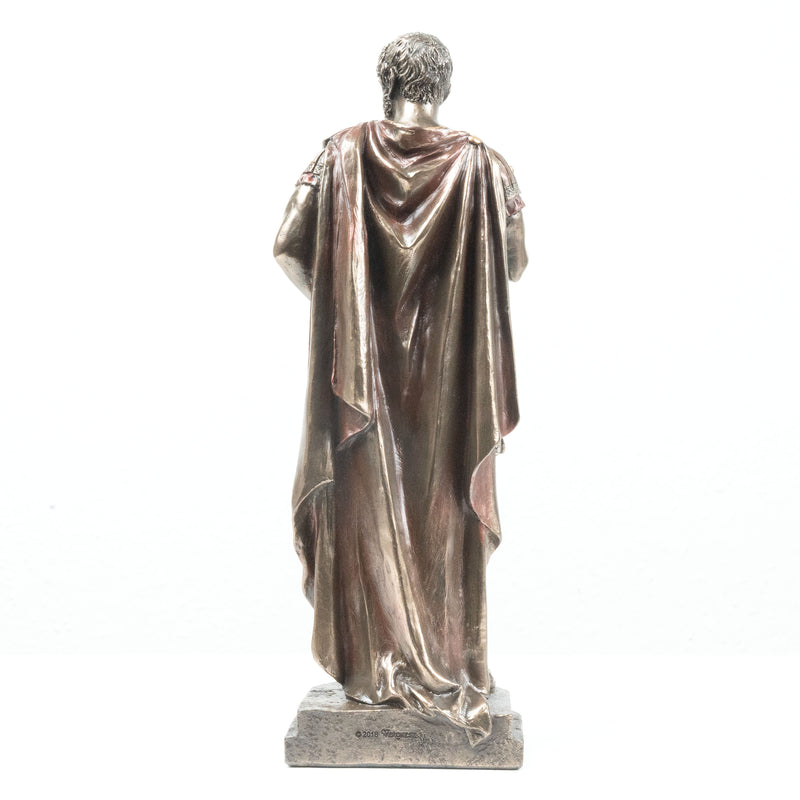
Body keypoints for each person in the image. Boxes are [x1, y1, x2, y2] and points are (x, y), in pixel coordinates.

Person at [274, 32, 528, 744]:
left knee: (367, 512)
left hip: (360, 384)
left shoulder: (339, 154)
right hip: (451, 386)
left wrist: (346, 310)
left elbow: (287, 246)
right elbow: (515, 262)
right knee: (446, 510)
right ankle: (448, 664)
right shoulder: (483, 164)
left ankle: (373, 671)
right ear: (443, 85)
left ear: (385, 80)